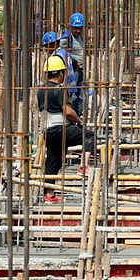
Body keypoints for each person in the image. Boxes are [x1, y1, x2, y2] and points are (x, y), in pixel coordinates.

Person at [38, 55, 95, 203]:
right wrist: (79, 120)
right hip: (61, 128)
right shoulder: (59, 90)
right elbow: (67, 111)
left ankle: (49, 194)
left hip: (48, 131)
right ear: (60, 73)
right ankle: (83, 166)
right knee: (89, 136)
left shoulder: (40, 90)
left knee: (53, 160)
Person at [60, 12, 86, 113]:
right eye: (75, 28)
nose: (78, 30)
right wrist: (73, 62)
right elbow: (62, 53)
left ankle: (77, 117)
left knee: (81, 96)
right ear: (70, 26)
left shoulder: (80, 37)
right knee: (73, 96)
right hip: (73, 71)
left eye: (80, 28)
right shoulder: (67, 37)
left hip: (80, 70)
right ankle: (71, 117)